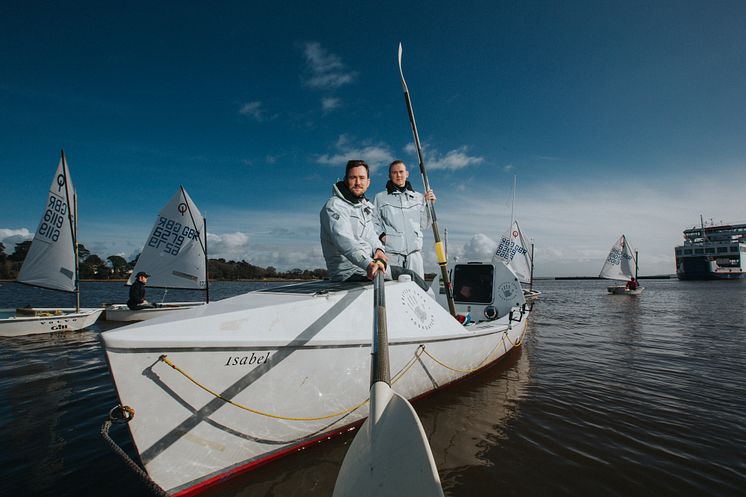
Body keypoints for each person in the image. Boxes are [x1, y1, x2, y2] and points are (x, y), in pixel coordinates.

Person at [320, 159, 428, 291]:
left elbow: (371, 235)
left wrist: (379, 250)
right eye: (353, 177)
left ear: (368, 182)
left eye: (362, 178)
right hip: (350, 273)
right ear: (346, 179)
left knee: (414, 280)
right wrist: (368, 263)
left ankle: (433, 310)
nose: (358, 182)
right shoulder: (335, 206)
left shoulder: (364, 206)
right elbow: (344, 241)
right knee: (407, 279)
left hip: (370, 267)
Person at [373, 160, 436, 278]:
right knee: (392, 292)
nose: (398, 175)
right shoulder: (380, 198)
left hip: (414, 256)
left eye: (401, 172)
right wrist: (382, 236)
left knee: (417, 291)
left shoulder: (419, 197)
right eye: (394, 172)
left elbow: (424, 224)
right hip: (391, 256)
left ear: (407, 174)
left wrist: (429, 206)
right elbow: (373, 221)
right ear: (389, 175)